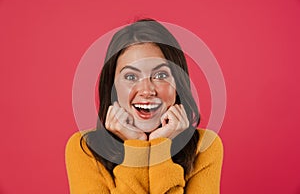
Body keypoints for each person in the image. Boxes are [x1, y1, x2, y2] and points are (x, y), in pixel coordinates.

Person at [65, 18, 223, 194]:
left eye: (160, 75)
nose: (146, 91)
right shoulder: (85, 148)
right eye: (131, 77)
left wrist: (159, 147)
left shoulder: (204, 147)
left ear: (177, 84)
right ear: (113, 88)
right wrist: (136, 146)